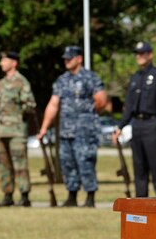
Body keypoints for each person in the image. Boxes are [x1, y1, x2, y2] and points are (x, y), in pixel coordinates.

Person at [37, 46, 108, 207]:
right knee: (67, 163)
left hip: (85, 131)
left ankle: (90, 197)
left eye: (70, 58)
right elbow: (53, 104)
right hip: (66, 131)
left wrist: (87, 117)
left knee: (85, 162)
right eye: (65, 58)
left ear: (79, 59)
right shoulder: (62, 80)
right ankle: (72, 195)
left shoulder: (90, 78)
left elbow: (101, 100)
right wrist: (44, 128)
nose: (67, 61)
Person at [113, 41, 156, 197]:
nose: (139, 56)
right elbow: (129, 106)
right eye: (137, 53)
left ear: (150, 55)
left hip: (153, 124)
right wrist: (120, 127)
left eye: (142, 53)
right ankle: (140, 204)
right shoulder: (135, 78)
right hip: (137, 125)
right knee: (139, 168)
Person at [0, 51, 37, 207]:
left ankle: (24, 195)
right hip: (1, 131)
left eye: (4, 60)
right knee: (3, 164)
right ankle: (7, 195)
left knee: (20, 164)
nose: (1, 63)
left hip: (17, 130)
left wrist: (20, 109)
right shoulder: (0, 84)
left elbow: (31, 105)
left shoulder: (22, 82)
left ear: (14, 63)